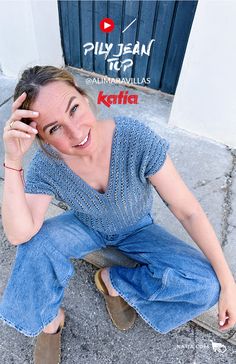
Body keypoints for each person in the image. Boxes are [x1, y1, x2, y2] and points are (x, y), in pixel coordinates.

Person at [0, 65, 235, 364]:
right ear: (43, 140)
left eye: (73, 109)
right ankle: (50, 319)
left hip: (138, 227)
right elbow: (19, 233)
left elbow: (187, 210)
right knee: (34, 245)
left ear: (84, 98)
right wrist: (13, 159)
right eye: (54, 128)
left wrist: (228, 283)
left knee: (206, 285)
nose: (75, 132)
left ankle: (114, 281)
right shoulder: (47, 166)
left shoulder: (134, 139)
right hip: (87, 225)